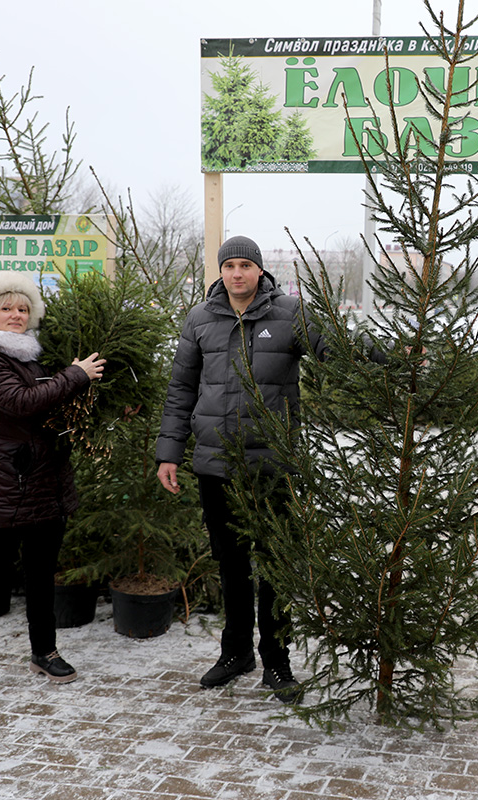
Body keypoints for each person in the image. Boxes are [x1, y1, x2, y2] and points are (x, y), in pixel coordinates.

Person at [156, 235, 326, 705]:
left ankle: (277, 661)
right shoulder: (200, 319)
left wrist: (396, 358)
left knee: (274, 566)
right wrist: (169, 451)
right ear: (221, 271)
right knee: (230, 564)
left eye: (245, 265)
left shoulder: (289, 313)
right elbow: (180, 390)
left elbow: (336, 346)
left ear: (259, 270)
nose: (237, 273)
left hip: (273, 465)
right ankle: (236, 654)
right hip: (216, 465)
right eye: (229, 265)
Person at [0, 271, 105, 704]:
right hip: (4, 482)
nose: (15, 315)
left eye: (23, 308)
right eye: (6, 307)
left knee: (42, 571)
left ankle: (43, 651)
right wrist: (77, 374)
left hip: (45, 478)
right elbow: (23, 402)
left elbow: (53, 400)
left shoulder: (30, 356)